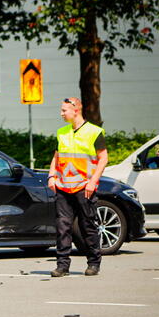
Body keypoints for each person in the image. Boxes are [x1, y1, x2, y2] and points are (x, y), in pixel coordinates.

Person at [47, 97, 108, 277]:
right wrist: (51, 176)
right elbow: (57, 157)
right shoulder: (62, 132)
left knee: (87, 225)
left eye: (64, 110)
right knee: (62, 226)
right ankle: (62, 265)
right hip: (64, 186)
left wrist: (92, 181)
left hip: (84, 186)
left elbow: (103, 158)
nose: (61, 113)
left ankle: (94, 263)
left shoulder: (94, 132)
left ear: (76, 111)